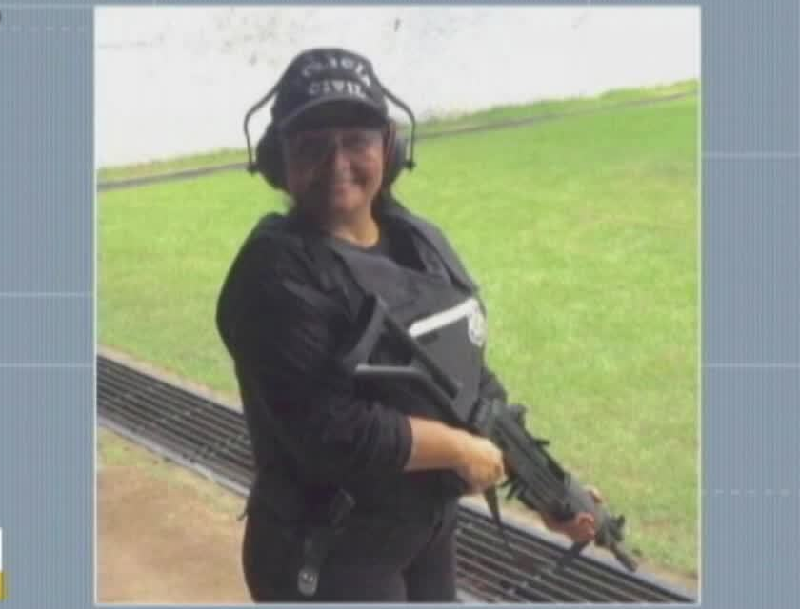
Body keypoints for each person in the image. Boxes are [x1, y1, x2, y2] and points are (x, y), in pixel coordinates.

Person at [216, 47, 600, 603]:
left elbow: (468, 383)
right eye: (313, 146)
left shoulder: (416, 242)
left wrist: (547, 487)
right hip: (328, 551)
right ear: (279, 158)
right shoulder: (273, 273)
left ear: (389, 146)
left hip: (423, 532)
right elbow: (327, 428)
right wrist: (457, 450)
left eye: (357, 141)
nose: (337, 162)